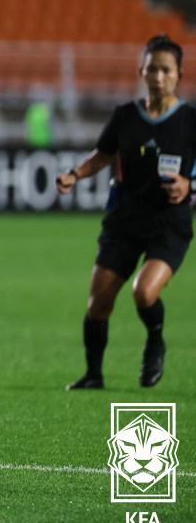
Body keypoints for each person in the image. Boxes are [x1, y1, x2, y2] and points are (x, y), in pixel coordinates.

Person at [58, 35, 194, 390]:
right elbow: (102, 154)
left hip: (169, 224)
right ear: (141, 71)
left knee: (143, 292)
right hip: (125, 221)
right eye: (152, 69)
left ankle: (155, 341)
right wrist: (74, 175)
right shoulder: (125, 116)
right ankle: (94, 375)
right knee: (98, 304)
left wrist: (189, 185)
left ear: (179, 74)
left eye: (166, 70)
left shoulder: (190, 120)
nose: (159, 77)